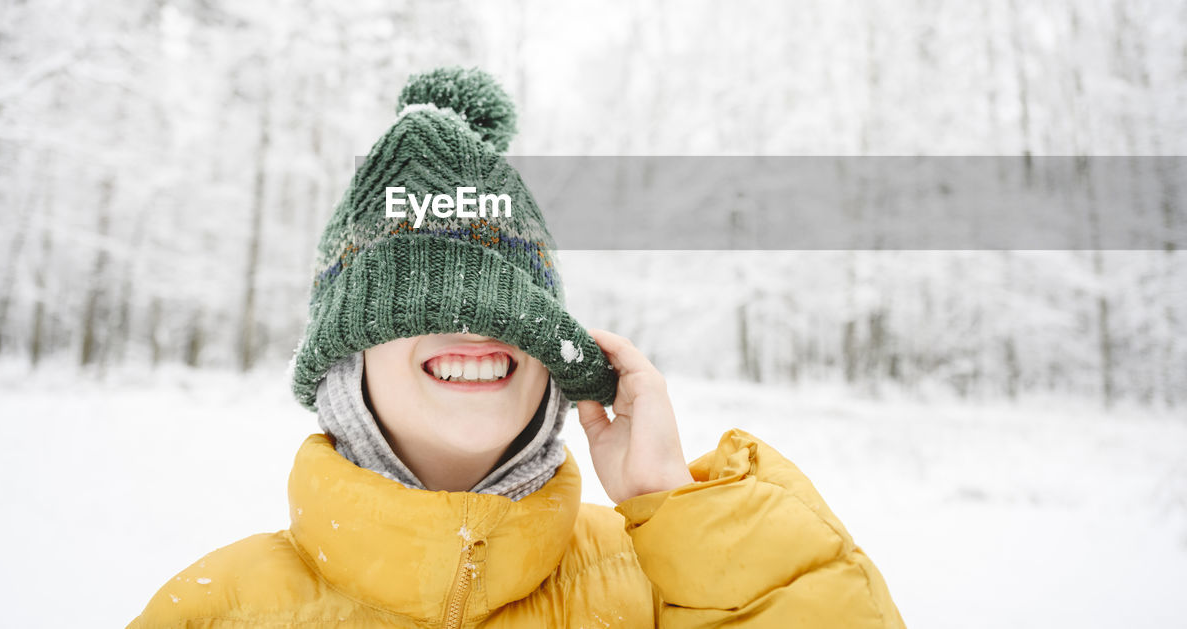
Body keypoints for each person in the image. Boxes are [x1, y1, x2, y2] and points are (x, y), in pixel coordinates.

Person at [127, 67, 906, 628]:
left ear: (554, 360)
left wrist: (673, 501)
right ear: (346, 353)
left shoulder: (666, 585)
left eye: (511, 307)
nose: (476, 328)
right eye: (426, 299)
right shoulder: (213, 612)